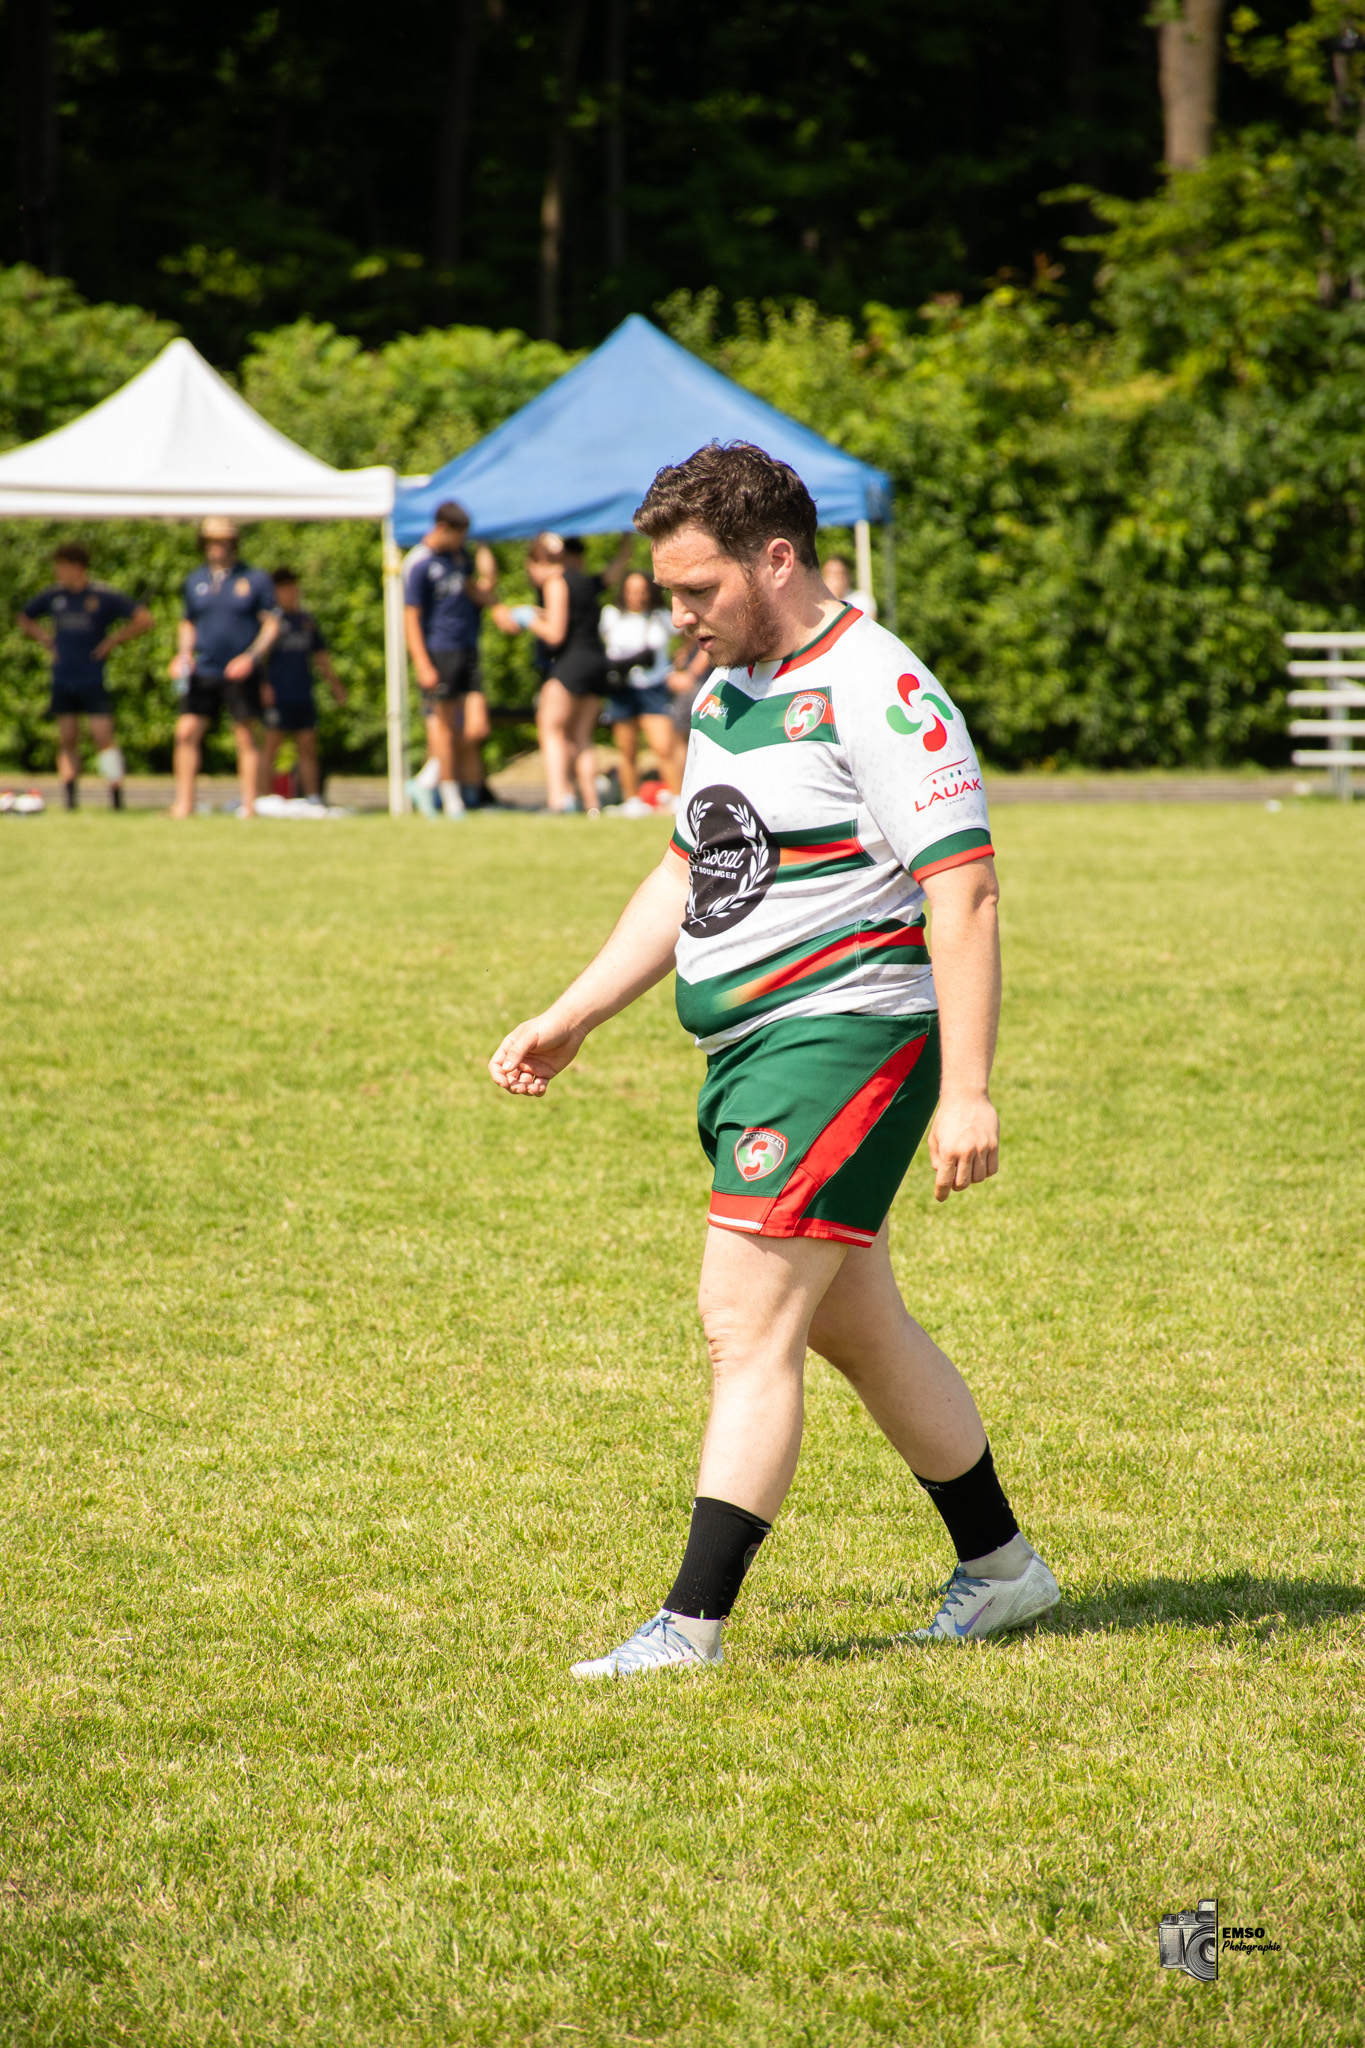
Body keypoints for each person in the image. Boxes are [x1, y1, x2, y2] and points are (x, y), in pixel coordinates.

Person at [490, 441, 1058, 1678]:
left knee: (741, 1319)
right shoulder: (726, 688)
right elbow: (693, 867)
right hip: (755, 1046)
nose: (677, 616)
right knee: (857, 1322)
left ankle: (688, 1628)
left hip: (846, 1031)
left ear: (777, 557)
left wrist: (967, 1088)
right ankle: (1004, 1570)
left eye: (697, 590)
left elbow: (964, 891)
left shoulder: (878, 684)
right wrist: (576, 1011)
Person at [491, 533, 630, 815]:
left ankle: (559, 799)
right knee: (581, 737)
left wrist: (528, 619)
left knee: (551, 727)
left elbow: (555, 633)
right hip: (596, 663)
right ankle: (591, 806)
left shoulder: (556, 581)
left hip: (572, 662)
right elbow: (575, 613)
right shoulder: (582, 579)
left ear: (537, 561)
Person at [17, 542, 152, 810]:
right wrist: (46, 640)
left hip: (92, 678)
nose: (58, 571)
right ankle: (70, 800)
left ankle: (116, 797)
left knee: (103, 737)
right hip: (63, 676)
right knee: (67, 738)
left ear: (77, 567)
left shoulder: (101, 596)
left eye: (62, 566)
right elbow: (24, 617)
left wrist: (112, 641)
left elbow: (143, 619)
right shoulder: (54, 596)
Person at [169, 517, 279, 820]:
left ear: (233, 543)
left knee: (245, 736)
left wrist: (251, 657)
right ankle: (184, 804)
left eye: (222, 541)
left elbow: (271, 624)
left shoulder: (254, 579)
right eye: (211, 542)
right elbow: (187, 622)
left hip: (239, 670)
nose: (216, 547)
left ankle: (249, 807)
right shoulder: (195, 580)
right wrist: (183, 655)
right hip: (203, 668)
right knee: (186, 731)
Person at [402, 501, 497, 819]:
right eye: (459, 535)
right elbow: (411, 617)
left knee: (476, 727)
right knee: (442, 730)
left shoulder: (459, 557)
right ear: (442, 529)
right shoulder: (419, 563)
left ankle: (423, 781)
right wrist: (422, 663)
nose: (462, 542)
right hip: (438, 652)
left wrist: (483, 544)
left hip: (467, 650)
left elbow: (482, 588)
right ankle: (451, 798)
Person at [257, 569, 348, 803]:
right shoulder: (269, 622)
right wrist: (262, 685)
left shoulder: (307, 622)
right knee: (270, 748)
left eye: (294, 588)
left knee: (308, 747)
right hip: (277, 694)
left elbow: (321, 658)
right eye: (286, 589)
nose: (292, 594)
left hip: (303, 694)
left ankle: (313, 797)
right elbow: (258, 658)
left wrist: (336, 687)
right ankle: (262, 797)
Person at [600, 570, 682, 814]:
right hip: (623, 688)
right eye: (631, 591)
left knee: (663, 745)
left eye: (642, 591)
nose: (637, 596)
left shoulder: (661, 617)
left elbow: (689, 634)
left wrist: (680, 665)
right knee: (626, 748)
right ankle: (631, 799)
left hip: (653, 687)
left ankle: (677, 797)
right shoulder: (611, 616)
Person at [822, 552, 877, 620]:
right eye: (831, 574)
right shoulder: (819, 603)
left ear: (848, 576)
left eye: (840, 574)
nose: (836, 579)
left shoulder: (862, 599)